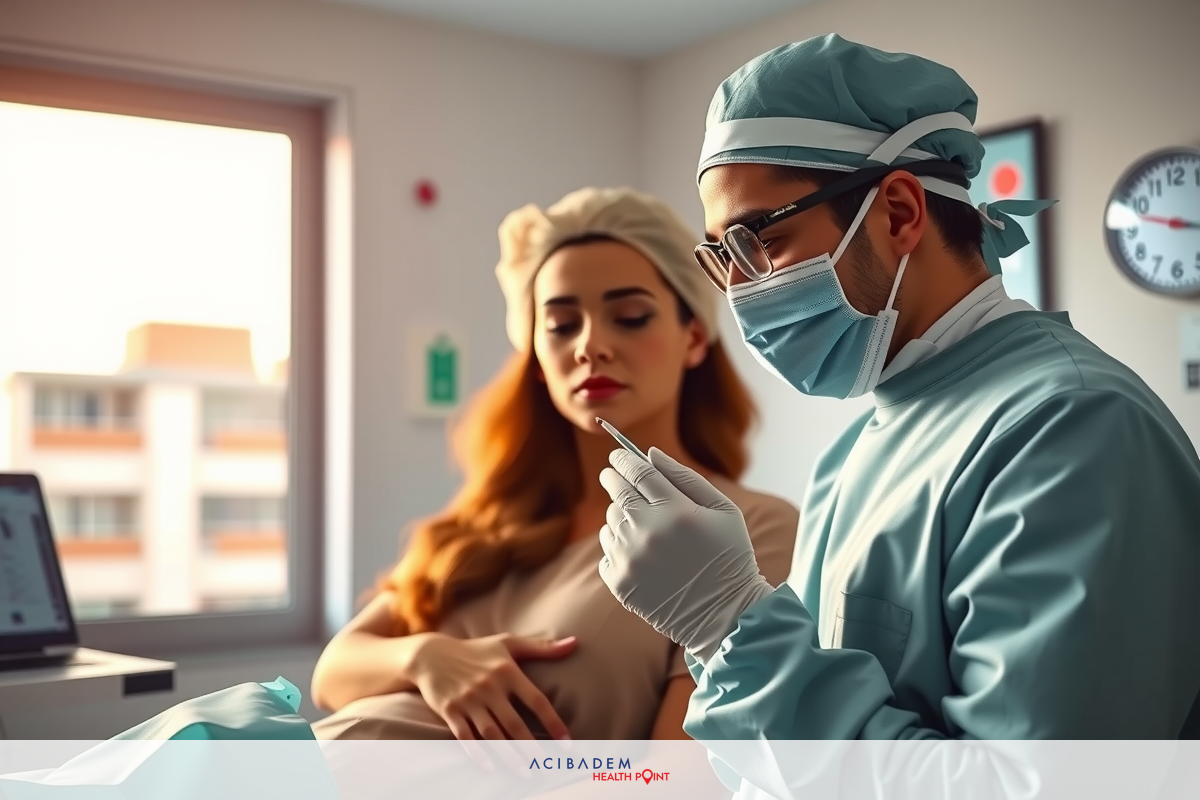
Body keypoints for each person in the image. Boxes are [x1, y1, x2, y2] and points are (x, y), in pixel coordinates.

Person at [595, 32, 1200, 786]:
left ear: (901, 211)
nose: (745, 292)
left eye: (761, 241)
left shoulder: (1074, 431)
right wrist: (728, 633)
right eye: (723, 258)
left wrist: (730, 626)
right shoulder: (860, 450)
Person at [310, 186, 798, 742]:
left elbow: (675, 780)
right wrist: (428, 658)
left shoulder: (748, 530)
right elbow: (333, 672)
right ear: (538, 361)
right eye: (562, 326)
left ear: (693, 338)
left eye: (631, 316)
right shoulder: (487, 521)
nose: (590, 346)